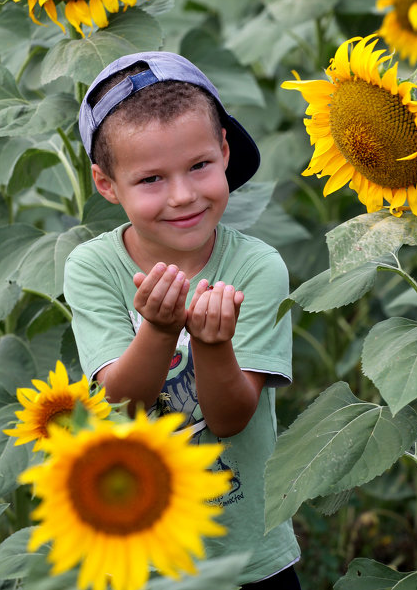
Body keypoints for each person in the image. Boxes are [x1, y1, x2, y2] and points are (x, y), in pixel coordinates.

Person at [64, 51, 301, 589]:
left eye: (198, 166)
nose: (182, 195)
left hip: (248, 551)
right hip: (143, 555)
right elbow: (123, 402)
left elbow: (231, 418)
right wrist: (160, 329)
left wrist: (214, 346)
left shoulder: (255, 267)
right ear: (107, 185)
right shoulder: (94, 267)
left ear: (224, 151)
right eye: (150, 178)